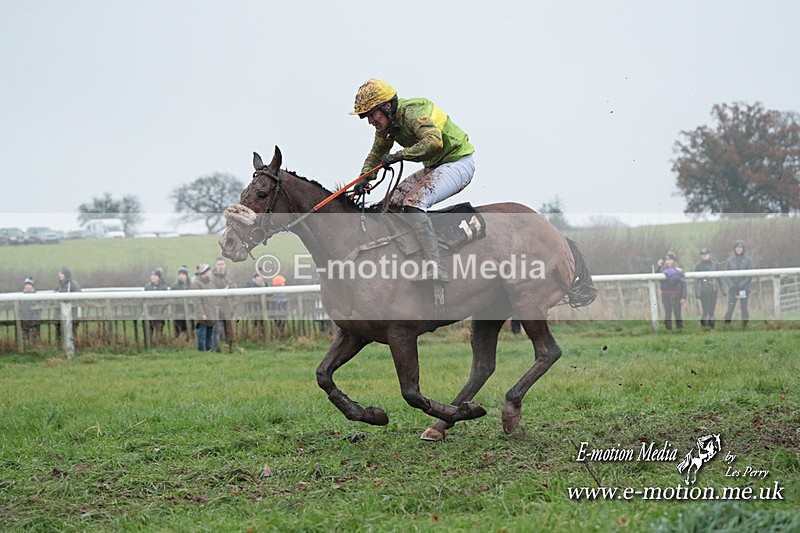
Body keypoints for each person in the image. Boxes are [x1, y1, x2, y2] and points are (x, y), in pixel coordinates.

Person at [350, 78, 476, 282]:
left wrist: (400, 155)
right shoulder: (387, 129)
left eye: (372, 114)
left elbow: (434, 141)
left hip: (459, 162)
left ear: (388, 106)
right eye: (367, 117)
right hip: (436, 166)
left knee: (413, 203)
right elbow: (375, 156)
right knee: (390, 203)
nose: (371, 121)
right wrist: (363, 178)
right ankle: (408, 254)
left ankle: (436, 266)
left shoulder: (412, 112)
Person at [723, 239, 754, 327]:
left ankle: (745, 325)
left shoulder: (748, 260)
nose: (738, 249)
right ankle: (726, 324)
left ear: (743, 248)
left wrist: (741, 285)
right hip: (733, 289)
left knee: (744, 307)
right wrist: (732, 285)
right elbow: (726, 274)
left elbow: (750, 275)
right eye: (737, 247)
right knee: (730, 307)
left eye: (740, 247)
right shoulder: (730, 260)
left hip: (744, 288)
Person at [655, 252, 686, 330]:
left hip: (676, 294)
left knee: (677, 312)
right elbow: (656, 276)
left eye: (670, 260)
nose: (669, 262)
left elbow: (683, 284)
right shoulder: (662, 270)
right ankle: (668, 329)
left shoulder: (679, 271)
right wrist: (658, 266)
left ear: (674, 261)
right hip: (665, 294)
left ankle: (679, 328)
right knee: (667, 312)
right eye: (667, 260)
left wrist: (683, 296)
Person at [211, 256, 237, 352]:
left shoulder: (230, 277)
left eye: (222, 264)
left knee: (229, 330)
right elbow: (211, 293)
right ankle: (216, 349)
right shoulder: (211, 278)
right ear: (216, 265)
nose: (220, 266)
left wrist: (233, 306)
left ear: (225, 265)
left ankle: (230, 348)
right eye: (218, 264)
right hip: (217, 308)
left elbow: (234, 292)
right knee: (217, 329)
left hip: (228, 308)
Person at [190, 263, 217, 352]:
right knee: (202, 334)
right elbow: (197, 301)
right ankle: (201, 351)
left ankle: (208, 350)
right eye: (208, 271)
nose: (210, 273)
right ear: (204, 272)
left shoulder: (211, 283)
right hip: (203, 314)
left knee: (209, 333)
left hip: (211, 312)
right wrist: (201, 314)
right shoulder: (196, 284)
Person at [694, 247, 720, 328]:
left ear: (709, 255)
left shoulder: (714, 264)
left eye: (706, 254)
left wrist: (723, 289)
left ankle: (712, 326)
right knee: (705, 309)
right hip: (703, 290)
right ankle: (704, 325)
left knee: (712, 309)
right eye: (702, 254)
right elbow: (696, 280)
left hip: (713, 289)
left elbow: (719, 277)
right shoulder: (698, 265)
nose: (704, 256)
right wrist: (697, 292)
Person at [55, 267, 81, 343]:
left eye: (61, 273)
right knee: (59, 331)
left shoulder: (72, 285)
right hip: (60, 314)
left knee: (72, 331)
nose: (59, 275)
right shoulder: (59, 286)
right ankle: (60, 346)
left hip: (72, 314)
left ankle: (72, 346)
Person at [144, 268, 168, 338]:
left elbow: (166, 301)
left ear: (159, 278)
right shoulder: (147, 287)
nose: (153, 277)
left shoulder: (163, 288)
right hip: (149, 312)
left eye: (155, 276)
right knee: (149, 330)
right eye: (152, 275)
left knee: (159, 329)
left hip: (160, 313)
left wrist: (161, 309)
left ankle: (158, 342)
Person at [171, 266, 191, 338]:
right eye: (180, 274)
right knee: (179, 328)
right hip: (178, 311)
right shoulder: (174, 287)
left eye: (183, 274)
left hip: (190, 311)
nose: (181, 276)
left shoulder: (191, 286)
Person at [20, 277, 41, 344]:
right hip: (24, 318)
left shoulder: (36, 296)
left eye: (29, 285)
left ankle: (35, 344)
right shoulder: (22, 296)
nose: (28, 286)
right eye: (26, 285)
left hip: (34, 318)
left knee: (34, 332)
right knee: (25, 332)